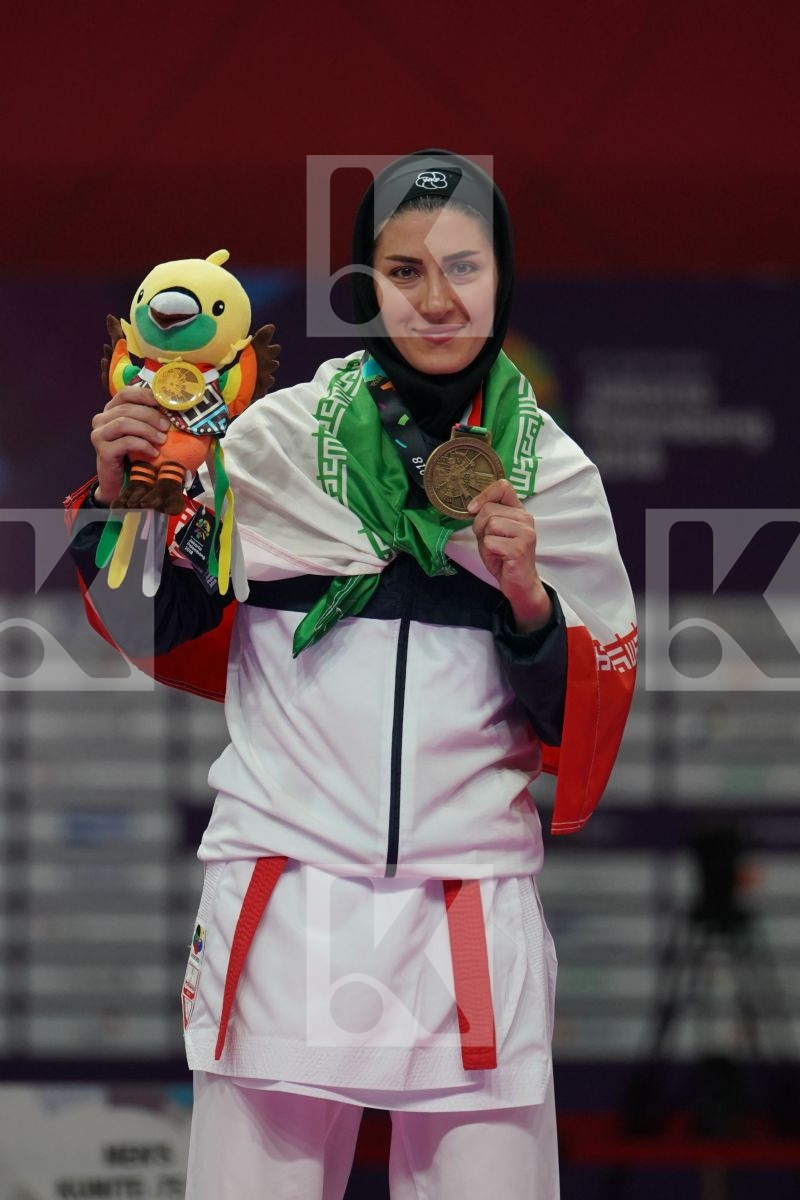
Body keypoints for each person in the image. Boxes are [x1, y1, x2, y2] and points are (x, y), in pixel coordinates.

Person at [65, 150, 637, 1199]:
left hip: (469, 912)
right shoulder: (270, 444)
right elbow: (156, 630)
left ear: (502, 280)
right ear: (363, 288)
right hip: (286, 905)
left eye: (462, 267)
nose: (435, 298)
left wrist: (524, 601)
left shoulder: (549, 475)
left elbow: (586, 712)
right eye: (402, 270)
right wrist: (126, 502)